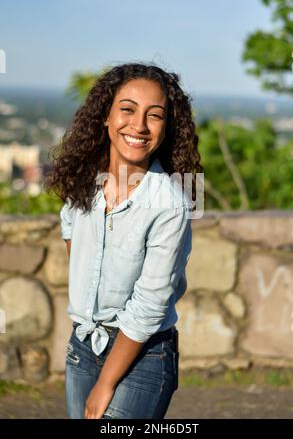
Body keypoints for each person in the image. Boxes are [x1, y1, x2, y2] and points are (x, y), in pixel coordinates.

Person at [44, 62, 202, 419]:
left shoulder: (171, 203)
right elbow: (71, 232)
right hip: (82, 346)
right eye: (127, 109)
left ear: (167, 127)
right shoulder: (85, 183)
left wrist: (105, 385)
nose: (139, 126)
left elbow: (149, 306)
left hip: (143, 355)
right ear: (105, 116)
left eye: (155, 115)